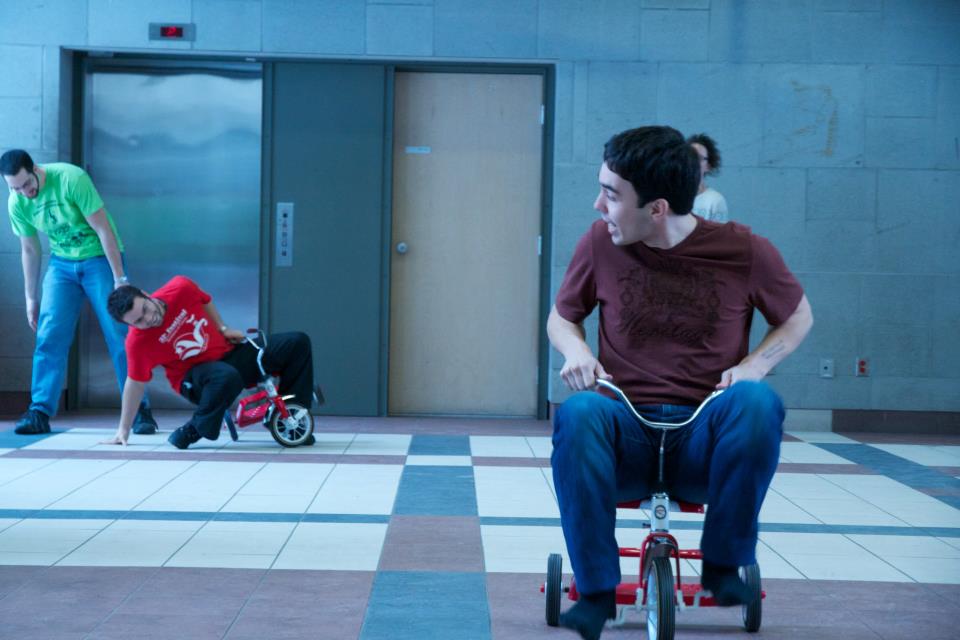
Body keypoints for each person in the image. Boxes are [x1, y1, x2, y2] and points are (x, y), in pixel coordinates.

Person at [548, 126, 813, 640]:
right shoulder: (599, 243)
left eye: (610, 194)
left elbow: (798, 317)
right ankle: (597, 591)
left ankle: (723, 564)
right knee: (579, 412)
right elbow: (562, 318)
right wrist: (576, 350)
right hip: (625, 431)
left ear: (657, 208)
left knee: (757, 402)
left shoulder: (745, 250)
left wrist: (755, 365)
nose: (598, 206)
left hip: (703, 439)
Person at [2, 149, 157, 436]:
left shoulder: (71, 178)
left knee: (119, 334)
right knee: (49, 335)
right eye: (16, 188)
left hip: (99, 259)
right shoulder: (17, 202)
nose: (25, 193)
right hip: (62, 265)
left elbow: (103, 229)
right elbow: (30, 249)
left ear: (35, 169)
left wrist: (120, 279)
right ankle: (39, 411)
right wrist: (30, 297)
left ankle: (139, 410)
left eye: (27, 184)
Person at [100, 275, 317, 449]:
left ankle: (291, 420)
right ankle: (194, 429)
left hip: (230, 355)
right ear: (129, 325)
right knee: (225, 375)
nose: (148, 319)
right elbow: (135, 383)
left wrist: (223, 328)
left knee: (297, 342)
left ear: (147, 295)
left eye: (145, 310)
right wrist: (123, 430)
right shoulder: (137, 343)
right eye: (138, 321)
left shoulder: (180, 287)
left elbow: (205, 300)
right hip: (195, 380)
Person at [687, 132, 729, 222]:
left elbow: (719, 231)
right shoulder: (670, 197)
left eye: (698, 158)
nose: (692, 161)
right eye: (689, 156)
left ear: (708, 166)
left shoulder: (715, 200)